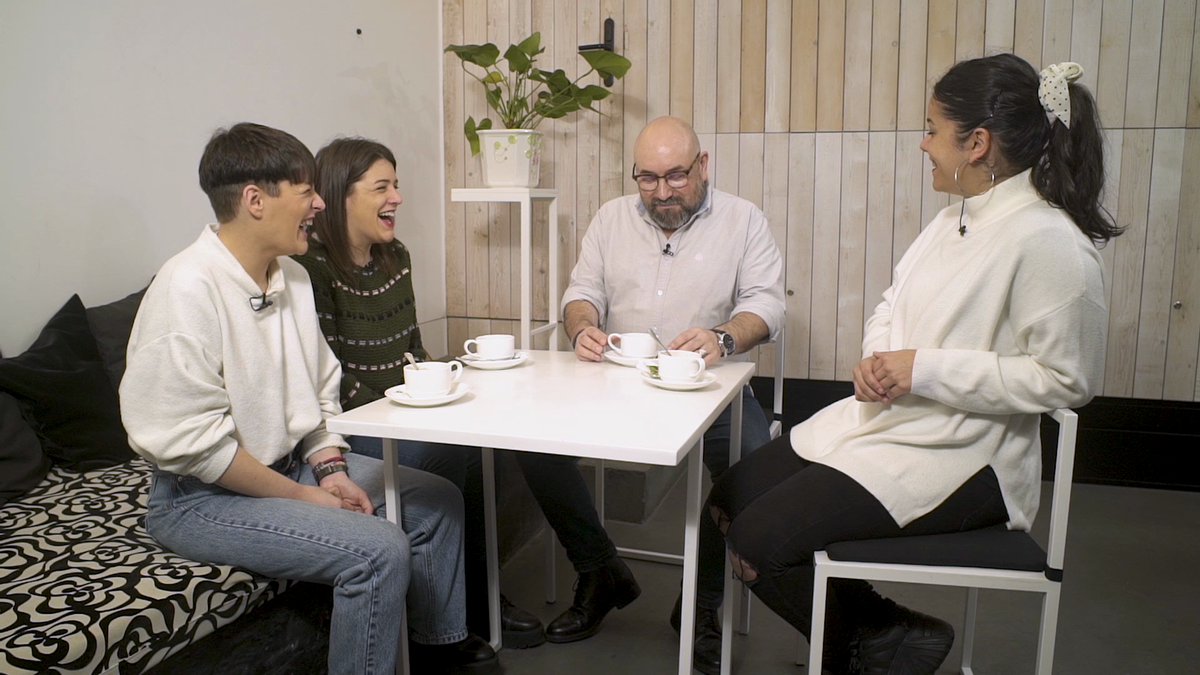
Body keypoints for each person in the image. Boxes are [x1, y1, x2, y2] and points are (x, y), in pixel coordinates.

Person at [705, 54, 1120, 675]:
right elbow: (891, 302)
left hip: (968, 456)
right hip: (897, 422)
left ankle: (857, 649)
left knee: (760, 540)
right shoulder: (951, 220)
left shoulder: (1050, 242)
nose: (924, 144)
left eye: (931, 129)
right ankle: (889, 632)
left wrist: (921, 369)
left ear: (976, 144)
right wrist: (878, 359)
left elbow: (1066, 380)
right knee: (730, 498)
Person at [119, 123, 498, 675]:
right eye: (305, 192)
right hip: (198, 499)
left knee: (437, 502)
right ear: (255, 200)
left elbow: (321, 395)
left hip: (289, 466)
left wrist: (331, 470)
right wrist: (303, 499)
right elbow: (194, 446)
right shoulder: (186, 288)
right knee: (379, 551)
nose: (318, 204)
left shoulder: (291, 279)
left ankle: (438, 650)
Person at [290, 137, 546, 649]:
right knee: (442, 455)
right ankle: (452, 619)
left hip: (401, 408)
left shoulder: (395, 257)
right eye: (382, 187)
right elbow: (332, 378)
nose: (397, 198)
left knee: (481, 447)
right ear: (341, 196)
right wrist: (406, 409)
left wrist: (446, 387)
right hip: (350, 425)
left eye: (397, 185)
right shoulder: (312, 269)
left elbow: (414, 350)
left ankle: (479, 595)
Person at [555, 115, 785, 662]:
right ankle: (598, 568)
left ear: (703, 166)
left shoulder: (743, 220)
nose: (661, 192)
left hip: (709, 384)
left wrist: (723, 338)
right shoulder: (612, 218)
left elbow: (767, 306)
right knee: (528, 444)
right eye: (648, 178)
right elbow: (580, 292)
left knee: (752, 459)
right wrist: (581, 325)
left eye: (676, 176)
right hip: (615, 380)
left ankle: (703, 602)